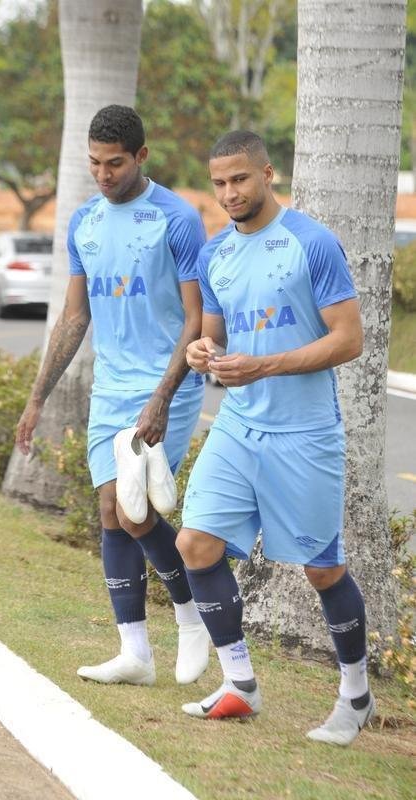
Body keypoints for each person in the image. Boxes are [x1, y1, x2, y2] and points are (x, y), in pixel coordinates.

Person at [175, 130, 375, 746]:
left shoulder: (312, 243)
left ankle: (356, 696)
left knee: (323, 569)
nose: (230, 192)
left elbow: (348, 339)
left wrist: (263, 364)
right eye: (219, 183)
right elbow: (213, 338)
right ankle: (240, 684)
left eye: (240, 179)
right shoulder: (214, 255)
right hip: (238, 423)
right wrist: (205, 352)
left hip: (305, 431)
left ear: (267, 174)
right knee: (195, 544)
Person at [16, 105, 210, 687]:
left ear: (141, 157)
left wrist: (161, 398)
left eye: (115, 163)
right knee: (111, 510)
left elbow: (196, 320)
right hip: (111, 389)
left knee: (137, 511)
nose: (103, 174)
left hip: (166, 385)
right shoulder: (84, 223)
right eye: (95, 163)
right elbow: (73, 319)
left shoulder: (177, 219)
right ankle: (135, 654)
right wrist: (36, 398)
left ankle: (193, 610)